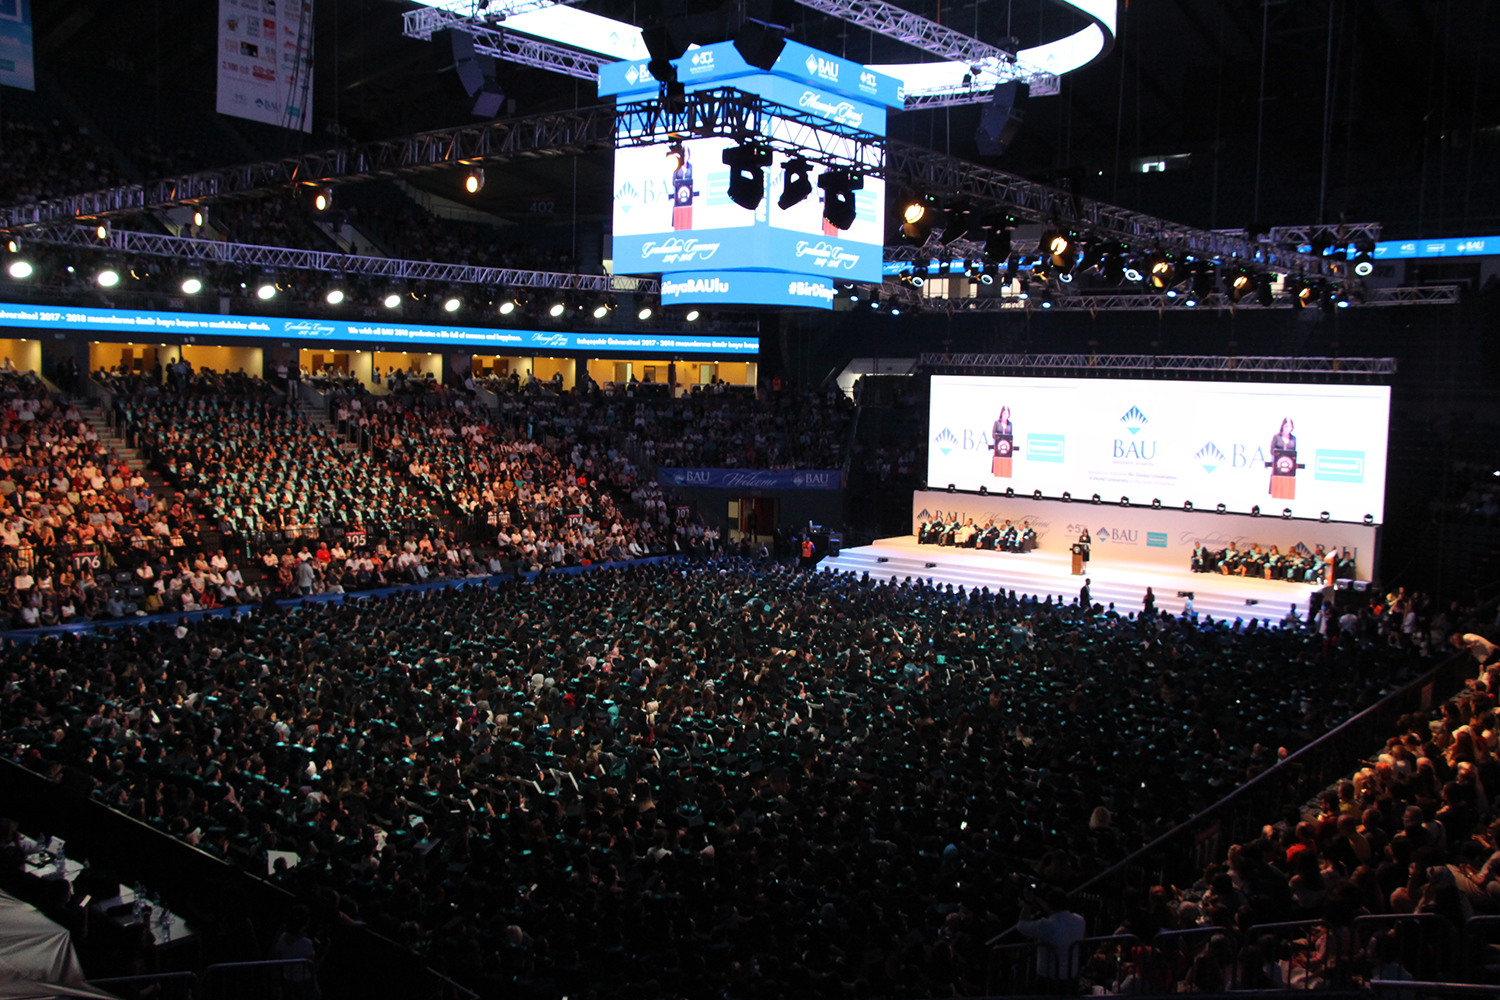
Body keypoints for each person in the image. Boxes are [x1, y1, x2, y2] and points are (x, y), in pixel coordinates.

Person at [1017, 888, 1087, 992]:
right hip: (1071, 976)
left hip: (1049, 979)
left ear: (1048, 905)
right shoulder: (1079, 920)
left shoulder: (1046, 925)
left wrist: (1028, 903)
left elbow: (1021, 926)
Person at [272, 905, 320, 1000]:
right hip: (305, 982)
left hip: (288, 981)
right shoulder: (306, 943)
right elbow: (313, 968)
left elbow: (277, 957)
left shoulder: (282, 937)